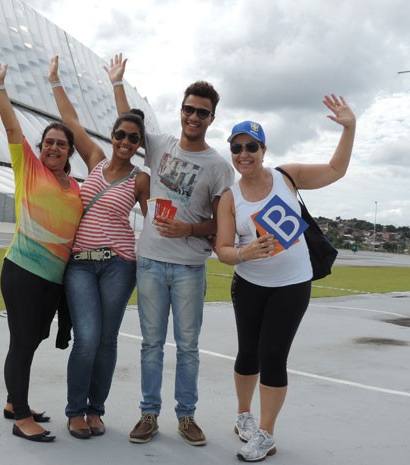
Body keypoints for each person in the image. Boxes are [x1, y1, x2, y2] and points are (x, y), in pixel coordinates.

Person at [215, 95, 356, 461]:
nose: (244, 154)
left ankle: (266, 434)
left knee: (273, 355)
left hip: (292, 283)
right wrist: (247, 252)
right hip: (249, 283)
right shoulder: (230, 198)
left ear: (263, 149)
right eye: (237, 148)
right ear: (231, 153)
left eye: (251, 147)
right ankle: (243, 416)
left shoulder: (287, 176)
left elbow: (336, 170)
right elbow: (223, 249)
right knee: (248, 353)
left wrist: (349, 128)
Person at [106, 53, 235, 446]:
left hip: (189, 268)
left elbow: (220, 224)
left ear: (211, 119)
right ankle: (148, 414)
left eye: (202, 112)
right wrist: (116, 83)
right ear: (181, 112)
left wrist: (188, 228)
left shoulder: (218, 166)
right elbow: (127, 125)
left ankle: (186, 416)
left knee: (189, 347)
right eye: (189, 109)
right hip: (150, 264)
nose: (194, 117)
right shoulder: (159, 145)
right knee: (150, 344)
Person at [47, 56, 150, 439]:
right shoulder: (94, 159)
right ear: (112, 137)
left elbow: (155, 221)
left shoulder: (141, 180)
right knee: (87, 338)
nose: (125, 142)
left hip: (119, 264)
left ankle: (95, 410)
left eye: (133, 138)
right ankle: (75, 410)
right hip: (81, 266)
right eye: (120, 135)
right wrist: (55, 81)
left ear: (140, 145)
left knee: (107, 341)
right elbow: (71, 123)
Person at [0, 57, 83, 443]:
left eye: (61, 143)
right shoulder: (28, 167)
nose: (54, 147)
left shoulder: (76, 189)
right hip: (23, 270)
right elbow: (11, 126)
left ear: (70, 151)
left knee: (32, 339)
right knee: (22, 342)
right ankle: (21, 417)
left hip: (53, 281)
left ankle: (13, 400)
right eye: (49, 143)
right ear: (39, 148)